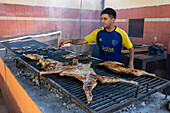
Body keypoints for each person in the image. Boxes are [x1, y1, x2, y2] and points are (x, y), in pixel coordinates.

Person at [58, 8, 134, 69]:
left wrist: (131, 63)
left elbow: (131, 48)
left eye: (105, 19)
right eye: (102, 19)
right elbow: (82, 40)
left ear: (112, 20)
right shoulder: (98, 32)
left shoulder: (121, 34)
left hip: (116, 66)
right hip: (101, 65)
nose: (102, 21)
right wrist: (68, 41)